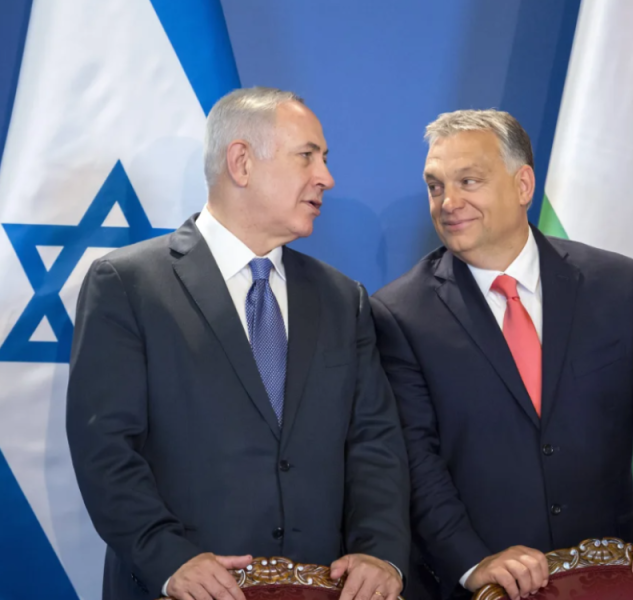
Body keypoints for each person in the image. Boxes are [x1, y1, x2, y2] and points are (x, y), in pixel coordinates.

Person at [67, 87, 409, 600]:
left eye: (324, 158)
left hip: (323, 587)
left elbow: (374, 443)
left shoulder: (343, 299)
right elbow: (105, 448)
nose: (326, 177)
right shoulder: (128, 284)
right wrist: (169, 560)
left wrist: (380, 553)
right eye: (307, 156)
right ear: (242, 162)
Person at [371, 109, 633, 600]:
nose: (448, 202)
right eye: (435, 186)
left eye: (469, 181)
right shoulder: (399, 313)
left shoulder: (620, 286)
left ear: (523, 185)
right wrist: (473, 562)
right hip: (482, 588)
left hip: (613, 579)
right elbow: (414, 461)